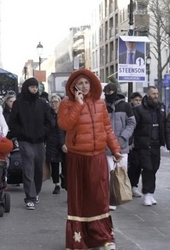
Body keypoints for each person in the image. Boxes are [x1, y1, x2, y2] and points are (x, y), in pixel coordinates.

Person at [57, 69, 122, 250]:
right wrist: (78, 104)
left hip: (98, 157)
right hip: (77, 158)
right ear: (74, 86)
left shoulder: (100, 104)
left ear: (92, 84)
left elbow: (107, 129)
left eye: (87, 83)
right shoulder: (66, 104)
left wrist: (115, 149)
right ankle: (77, 239)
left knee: (100, 197)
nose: (84, 86)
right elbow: (64, 124)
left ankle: (104, 237)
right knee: (78, 199)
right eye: (80, 83)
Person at [7, 77, 53, 210]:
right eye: (32, 87)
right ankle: (30, 197)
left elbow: (50, 121)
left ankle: (35, 192)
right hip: (24, 140)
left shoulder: (43, 103)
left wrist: (43, 132)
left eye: (36, 87)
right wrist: (21, 133)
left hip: (39, 141)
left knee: (38, 169)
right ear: (27, 87)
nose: (34, 89)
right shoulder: (18, 104)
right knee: (28, 167)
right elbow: (13, 121)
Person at [103, 83, 136, 210]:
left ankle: (120, 194)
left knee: (121, 172)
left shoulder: (125, 106)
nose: (109, 93)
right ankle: (110, 198)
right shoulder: (102, 105)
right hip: (106, 146)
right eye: (107, 91)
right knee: (108, 173)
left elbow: (132, 122)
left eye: (111, 91)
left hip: (122, 145)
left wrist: (123, 137)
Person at [132, 86, 166, 206]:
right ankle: (146, 193)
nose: (155, 96)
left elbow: (164, 125)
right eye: (153, 94)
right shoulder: (139, 109)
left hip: (156, 145)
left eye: (157, 93)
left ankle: (151, 193)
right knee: (147, 168)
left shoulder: (160, 108)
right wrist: (133, 142)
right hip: (144, 145)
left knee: (154, 168)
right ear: (148, 94)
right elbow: (133, 127)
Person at [45, 94, 67, 194]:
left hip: (63, 141)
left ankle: (63, 177)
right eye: (52, 102)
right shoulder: (48, 114)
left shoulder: (64, 113)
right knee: (54, 164)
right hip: (52, 141)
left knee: (65, 164)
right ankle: (56, 184)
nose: (53, 104)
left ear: (60, 102)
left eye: (55, 102)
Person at [128, 91, 143, 197]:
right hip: (129, 143)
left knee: (137, 165)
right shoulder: (129, 110)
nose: (138, 102)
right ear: (131, 100)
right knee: (130, 165)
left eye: (139, 100)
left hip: (139, 142)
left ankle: (134, 185)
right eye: (136, 100)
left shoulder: (142, 111)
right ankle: (128, 186)